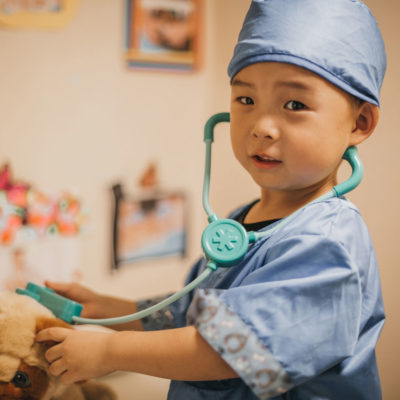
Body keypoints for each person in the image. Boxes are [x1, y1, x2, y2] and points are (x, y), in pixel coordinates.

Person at [36, 1, 386, 399]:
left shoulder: (327, 243)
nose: (262, 127)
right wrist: (111, 311)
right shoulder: (242, 220)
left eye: (294, 105)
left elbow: (238, 352)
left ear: (360, 124)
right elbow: (201, 317)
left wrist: (110, 352)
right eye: (246, 100)